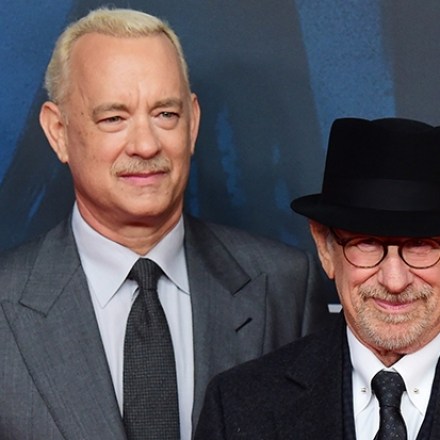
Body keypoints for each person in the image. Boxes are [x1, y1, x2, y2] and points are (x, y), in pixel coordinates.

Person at [0, 7, 331, 440]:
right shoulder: (6, 301)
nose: (145, 144)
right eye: (114, 118)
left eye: (165, 114)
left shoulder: (284, 286)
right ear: (58, 131)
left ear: (192, 123)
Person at [195, 117, 440, 439]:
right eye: (366, 243)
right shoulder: (238, 404)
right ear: (325, 249)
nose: (394, 281)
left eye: (421, 245)